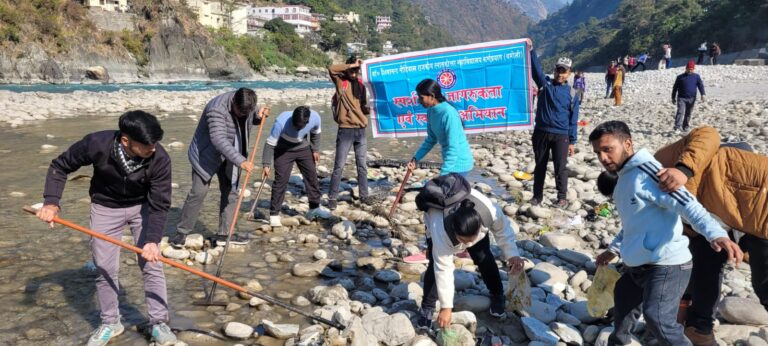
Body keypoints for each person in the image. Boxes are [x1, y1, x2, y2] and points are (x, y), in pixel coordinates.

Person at [590, 121, 743, 346]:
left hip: (667, 264)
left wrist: (716, 234)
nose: (603, 157)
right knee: (622, 304)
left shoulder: (651, 173)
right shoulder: (624, 176)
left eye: (607, 149)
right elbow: (635, 221)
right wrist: (613, 249)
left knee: (658, 318)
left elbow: (689, 205)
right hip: (637, 264)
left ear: (628, 144)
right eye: (598, 152)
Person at [36, 111, 177, 346]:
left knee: (152, 264)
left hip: (142, 208)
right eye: (146, 145)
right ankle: (111, 322)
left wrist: (152, 240)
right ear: (125, 141)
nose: (153, 148)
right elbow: (59, 166)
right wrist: (51, 202)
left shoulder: (159, 158)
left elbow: (160, 204)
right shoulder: (96, 144)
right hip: (105, 208)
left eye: (155, 143)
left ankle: (159, 322)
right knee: (105, 268)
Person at [652, 126, 768, 345]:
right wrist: (683, 301)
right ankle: (699, 329)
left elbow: (708, 134)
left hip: (758, 207)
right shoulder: (651, 208)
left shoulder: (658, 163)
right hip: (726, 221)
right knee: (704, 258)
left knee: (765, 284)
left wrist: (682, 171)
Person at [414, 174, 525, 329]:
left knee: (483, 256)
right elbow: (443, 268)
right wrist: (447, 307)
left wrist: (513, 255)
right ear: (453, 230)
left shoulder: (489, 212)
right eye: (465, 241)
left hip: (474, 221)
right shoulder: (440, 229)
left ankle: (497, 294)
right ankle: (427, 308)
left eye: (472, 239)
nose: (469, 244)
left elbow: (503, 232)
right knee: (434, 265)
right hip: (438, 222)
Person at [172, 88, 268, 247]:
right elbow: (218, 139)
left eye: (247, 112)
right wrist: (241, 161)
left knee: (231, 192)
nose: (244, 115)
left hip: (231, 155)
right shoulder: (216, 109)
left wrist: (258, 116)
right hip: (206, 155)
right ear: (233, 103)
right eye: (241, 112)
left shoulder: (247, 105)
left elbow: (249, 119)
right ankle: (182, 233)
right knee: (198, 193)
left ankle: (225, 233)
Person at [262, 106, 331, 227]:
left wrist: (315, 149)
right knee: (281, 180)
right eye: (295, 125)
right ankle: (274, 214)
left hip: (303, 148)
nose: (297, 128)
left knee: (312, 177)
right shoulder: (281, 122)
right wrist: (266, 164)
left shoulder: (315, 118)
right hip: (283, 150)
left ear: (307, 121)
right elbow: (269, 144)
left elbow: (316, 132)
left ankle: (314, 208)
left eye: (300, 126)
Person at [528, 47, 580, 208]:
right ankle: (537, 196)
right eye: (558, 70)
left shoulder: (573, 93)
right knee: (540, 166)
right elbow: (536, 69)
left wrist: (572, 141)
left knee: (560, 168)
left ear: (569, 73)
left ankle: (562, 198)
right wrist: (531, 50)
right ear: (554, 70)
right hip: (541, 133)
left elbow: (573, 118)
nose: (560, 74)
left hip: (561, 135)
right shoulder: (545, 85)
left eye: (564, 71)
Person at [327, 55, 371, 210]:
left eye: (356, 71)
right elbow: (331, 69)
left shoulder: (361, 85)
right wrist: (351, 64)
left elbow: (363, 107)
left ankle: (364, 195)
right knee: (339, 166)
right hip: (345, 130)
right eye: (352, 70)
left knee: (362, 165)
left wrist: (370, 109)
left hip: (361, 129)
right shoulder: (341, 82)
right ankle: (332, 197)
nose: (354, 73)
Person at [406, 79, 474, 176]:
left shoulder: (449, 114)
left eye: (421, 98)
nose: (419, 101)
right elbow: (431, 140)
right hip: (449, 163)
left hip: (459, 164)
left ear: (432, 96)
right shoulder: (431, 111)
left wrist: (443, 175)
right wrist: (415, 159)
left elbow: (453, 147)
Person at [671, 60, 706, 133]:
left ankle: (685, 127)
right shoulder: (680, 77)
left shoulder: (696, 77)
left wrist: (703, 94)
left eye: (691, 69)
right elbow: (675, 88)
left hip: (692, 98)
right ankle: (677, 127)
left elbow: (700, 85)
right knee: (680, 112)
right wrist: (673, 97)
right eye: (689, 69)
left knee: (688, 113)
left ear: (693, 69)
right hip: (681, 98)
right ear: (686, 68)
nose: (690, 70)